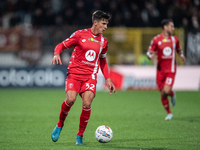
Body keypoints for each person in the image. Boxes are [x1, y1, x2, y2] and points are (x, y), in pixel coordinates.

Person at [50, 10, 116, 145]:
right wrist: (57, 53)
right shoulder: (80, 34)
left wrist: (108, 78)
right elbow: (61, 45)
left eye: (107, 24)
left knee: (87, 103)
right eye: (103, 23)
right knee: (71, 99)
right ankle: (60, 124)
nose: (106, 27)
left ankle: (79, 136)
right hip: (74, 75)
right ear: (95, 23)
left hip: (90, 77)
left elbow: (102, 61)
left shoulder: (104, 41)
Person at [147, 19, 186, 120]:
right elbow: (149, 51)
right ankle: (169, 111)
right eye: (171, 26)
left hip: (171, 70)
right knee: (163, 93)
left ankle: (170, 96)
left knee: (166, 90)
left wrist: (181, 55)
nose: (173, 28)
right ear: (165, 27)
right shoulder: (156, 39)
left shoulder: (175, 39)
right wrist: (149, 56)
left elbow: (179, 49)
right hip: (160, 70)